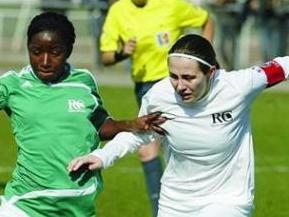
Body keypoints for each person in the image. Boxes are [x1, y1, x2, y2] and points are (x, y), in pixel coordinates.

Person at [68, 34, 289, 217]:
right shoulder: (160, 96)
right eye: (173, 76)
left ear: (211, 73)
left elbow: (282, 66)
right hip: (176, 202)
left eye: (189, 77)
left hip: (228, 201)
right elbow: (139, 134)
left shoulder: (237, 86)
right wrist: (102, 156)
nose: (179, 86)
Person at [0, 12, 165, 217]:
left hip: (79, 205)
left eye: (55, 52)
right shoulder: (12, 84)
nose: (44, 61)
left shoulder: (83, 81)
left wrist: (132, 124)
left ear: (68, 50)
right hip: (24, 204)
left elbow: (98, 125)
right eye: (35, 52)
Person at [99, 1, 214, 215]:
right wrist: (123, 52)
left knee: (188, 143)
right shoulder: (118, 10)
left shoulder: (171, 5)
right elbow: (105, 56)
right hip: (147, 89)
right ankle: (162, 211)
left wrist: (204, 57)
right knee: (148, 151)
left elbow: (206, 19)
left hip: (180, 83)